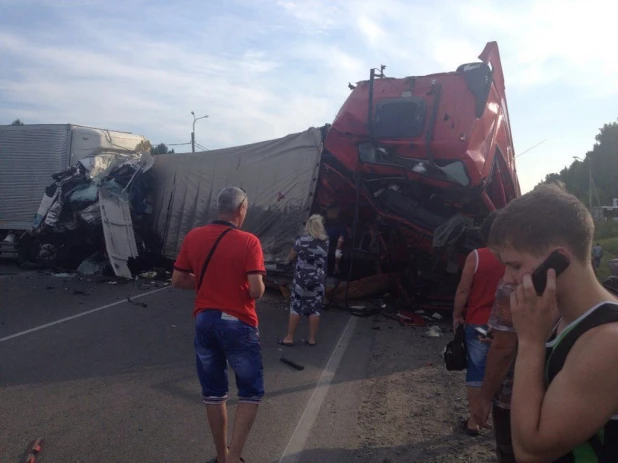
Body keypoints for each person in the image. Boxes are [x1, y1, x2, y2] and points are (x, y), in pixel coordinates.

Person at [488, 184, 618, 463]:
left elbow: (530, 451)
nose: (508, 279)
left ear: (559, 259)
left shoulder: (608, 341)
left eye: (515, 265)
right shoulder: (560, 318)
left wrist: (531, 342)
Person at [171, 186, 266, 463]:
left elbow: (177, 280)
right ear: (242, 209)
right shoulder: (249, 242)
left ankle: (221, 457)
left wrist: (209, 284)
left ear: (219, 207)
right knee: (249, 392)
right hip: (238, 324)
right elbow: (256, 290)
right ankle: (235, 457)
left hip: (205, 321)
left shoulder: (194, 236)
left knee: (213, 393)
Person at [452, 211, 504, 435]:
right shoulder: (518, 258)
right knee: (504, 371)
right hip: (507, 327)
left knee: (476, 372)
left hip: (478, 323)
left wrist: (456, 316)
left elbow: (464, 289)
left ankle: (474, 422)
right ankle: (499, 422)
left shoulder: (477, 256)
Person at [472, 279, 518, 463]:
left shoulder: (512, 283)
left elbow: (504, 350)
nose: (508, 272)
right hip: (553, 391)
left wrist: (484, 399)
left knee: (511, 453)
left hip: (513, 395)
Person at [278, 214, 329, 346]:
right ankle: (311, 339)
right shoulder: (326, 242)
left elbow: (290, 256)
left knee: (296, 306)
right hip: (318, 279)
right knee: (315, 308)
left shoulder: (301, 240)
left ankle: (289, 337)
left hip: (302, 279)